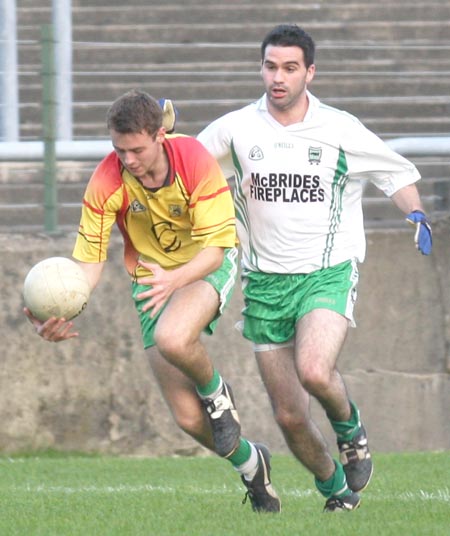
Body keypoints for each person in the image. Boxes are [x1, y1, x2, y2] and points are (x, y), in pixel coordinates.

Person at [197, 24, 432, 512]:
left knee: (314, 370)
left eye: (289, 68)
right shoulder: (236, 128)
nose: (277, 77)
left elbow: (395, 172)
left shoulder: (339, 128)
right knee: (289, 416)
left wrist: (415, 214)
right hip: (264, 283)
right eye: (270, 66)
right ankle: (335, 490)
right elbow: (188, 169)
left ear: (310, 72)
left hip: (327, 271)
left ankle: (351, 430)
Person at [24, 90, 281, 513]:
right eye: (119, 149)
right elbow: (87, 263)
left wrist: (174, 280)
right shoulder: (107, 180)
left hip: (204, 262)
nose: (128, 160)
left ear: (160, 135)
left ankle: (217, 393)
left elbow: (216, 249)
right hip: (151, 279)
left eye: (137, 149)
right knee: (186, 418)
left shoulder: (194, 161)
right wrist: (60, 310)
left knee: (174, 338)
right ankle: (253, 465)